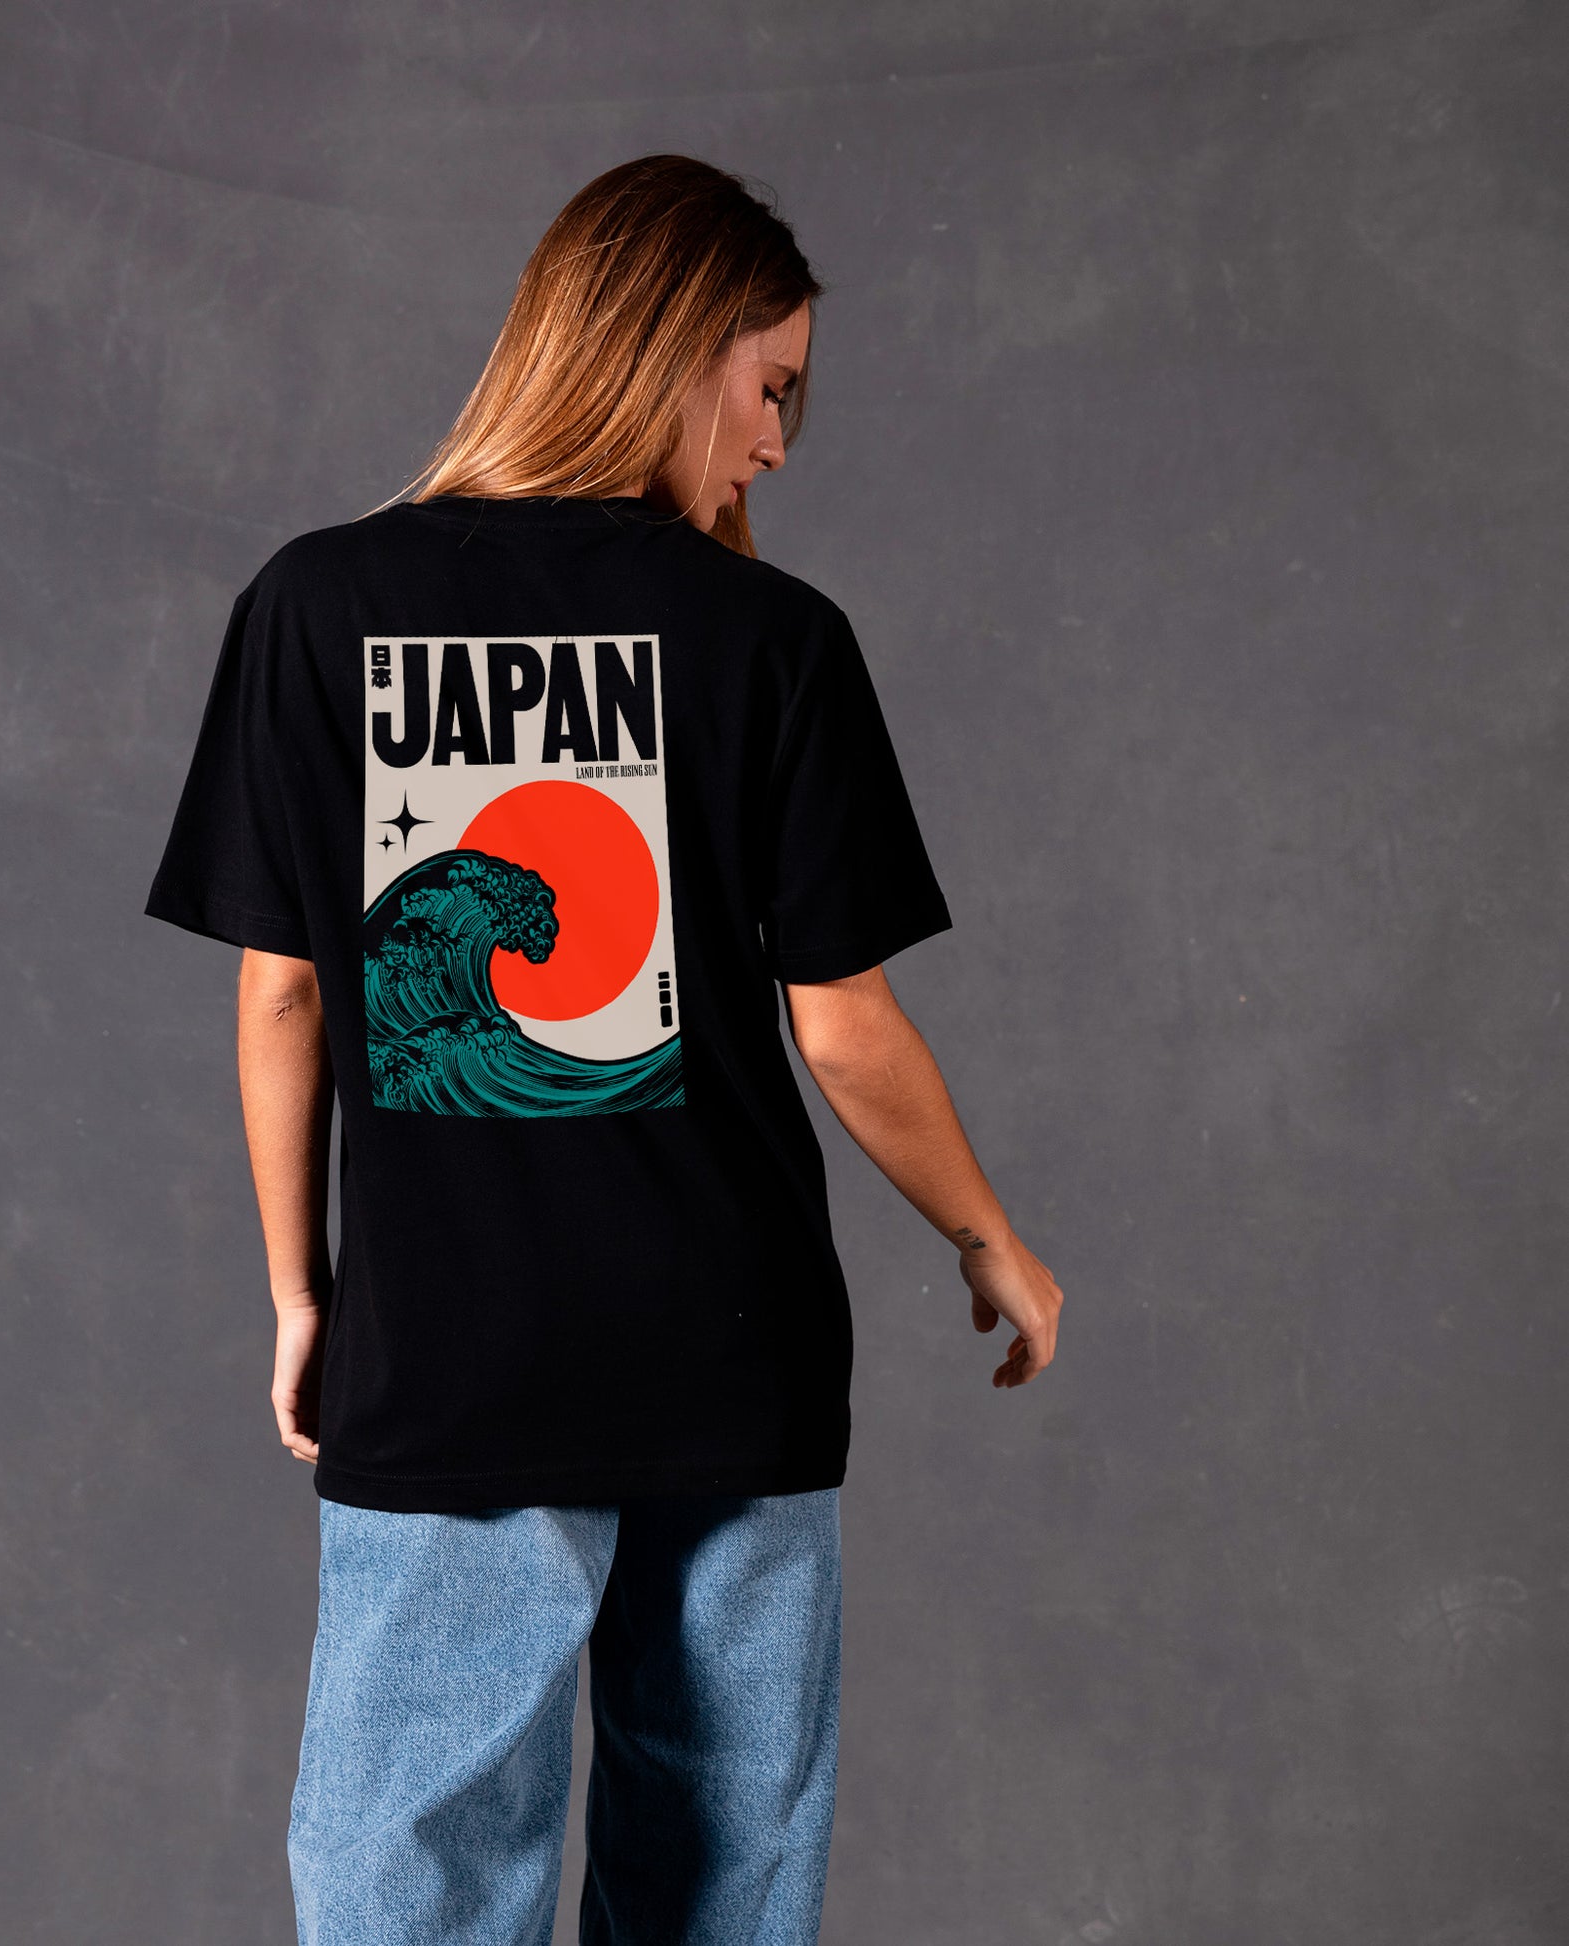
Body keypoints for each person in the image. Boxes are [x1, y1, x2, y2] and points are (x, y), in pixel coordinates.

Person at [143, 152, 1064, 1946]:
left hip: (450, 1356)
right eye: (771, 386)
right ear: (672, 346)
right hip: (729, 1353)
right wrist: (987, 1236)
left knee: (405, 1873)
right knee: (724, 1879)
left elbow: (286, 995)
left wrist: (301, 1289)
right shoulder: (773, 641)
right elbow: (841, 1024)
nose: (777, 442)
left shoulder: (315, 606)